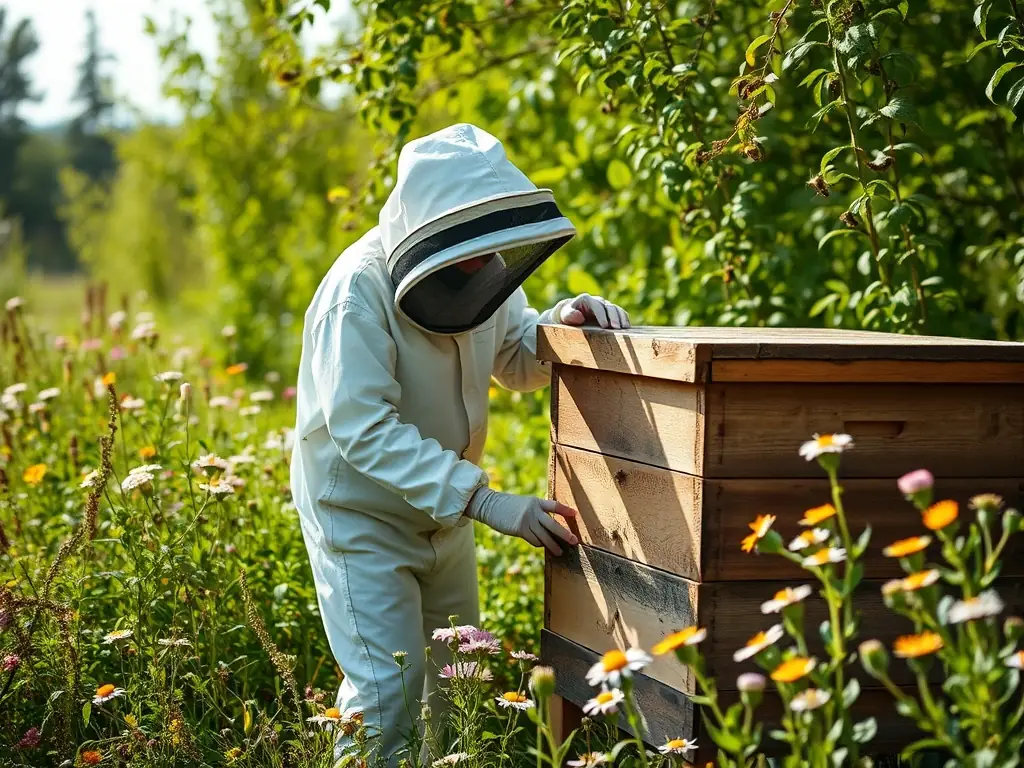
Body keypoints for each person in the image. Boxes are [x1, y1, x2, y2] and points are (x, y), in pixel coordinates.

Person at [290, 122, 631, 765]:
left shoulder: (479, 259)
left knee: (459, 684)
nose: (485, 263)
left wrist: (561, 326)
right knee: (386, 690)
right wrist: (486, 501)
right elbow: (362, 428)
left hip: (445, 517)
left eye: (490, 249)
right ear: (432, 230)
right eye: (471, 249)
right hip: (361, 517)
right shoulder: (356, 295)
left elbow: (511, 353)